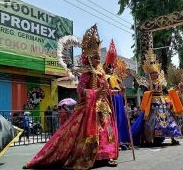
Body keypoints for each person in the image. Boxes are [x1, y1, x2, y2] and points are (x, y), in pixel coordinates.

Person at [23, 24, 118, 169]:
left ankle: (108, 155)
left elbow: (106, 90)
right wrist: (94, 93)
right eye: (95, 57)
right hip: (89, 108)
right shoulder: (86, 73)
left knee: (107, 131)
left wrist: (115, 92)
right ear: (88, 58)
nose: (98, 60)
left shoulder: (102, 73)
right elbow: (80, 90)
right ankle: (90, 156)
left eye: (99, 58)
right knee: (89, 133)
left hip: (103, 107)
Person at [130, 50, 182, 146]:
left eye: (156, 72)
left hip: (162, 104)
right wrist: (151, 91)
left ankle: (173, 138)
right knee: (150, 122)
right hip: (152, 105)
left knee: (169, 121)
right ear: (150, 74)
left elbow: (167, 91)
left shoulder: (162, 82)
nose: (155, 74)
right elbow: (145, 93)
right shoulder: (147, 83)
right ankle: (149, 140)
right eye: (153, 73)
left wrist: (175, 90)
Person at [103, 39, 132, 151]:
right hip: (110, 99)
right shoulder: (103, 77)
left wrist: (123, 91)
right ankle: (113, 141)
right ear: (104, 66)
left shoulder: (115, 77)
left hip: (118, 100)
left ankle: (121, 140)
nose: (110, 68)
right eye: (108, 66)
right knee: (112, 121)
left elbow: (119, 88)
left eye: (111, 66)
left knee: (120, 120)